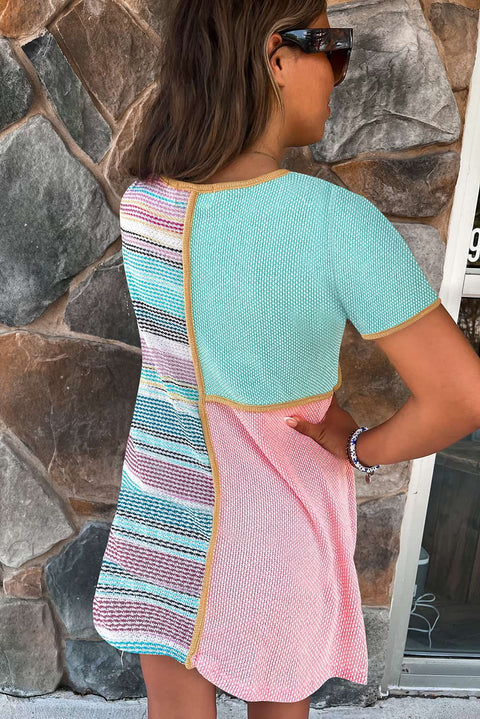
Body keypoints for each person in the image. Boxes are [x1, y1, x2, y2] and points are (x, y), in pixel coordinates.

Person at [92, 1, 480, 718]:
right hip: (279, 529)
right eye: (331, 47)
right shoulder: (334, 224)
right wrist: (361, 446)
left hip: (165, 512)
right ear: (277, 58)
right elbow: (462, 395)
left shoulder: (144, 205)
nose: (339, 72)